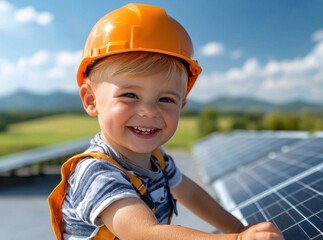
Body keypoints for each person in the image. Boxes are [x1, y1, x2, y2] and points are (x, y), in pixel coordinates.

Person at [49, 3, 284, 240]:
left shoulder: (158, 159)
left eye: (166, 99)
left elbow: (191, 194)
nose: (150, 111)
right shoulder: (96, 172)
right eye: (130, 95)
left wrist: (237, 228)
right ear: (91, 100)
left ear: (181, 105)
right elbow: (142, 233)